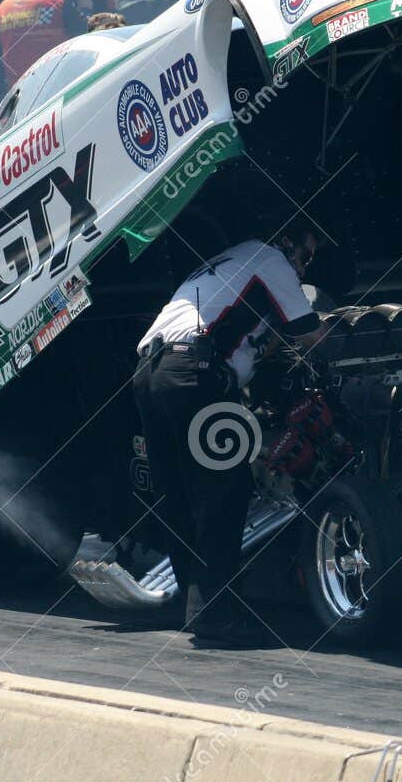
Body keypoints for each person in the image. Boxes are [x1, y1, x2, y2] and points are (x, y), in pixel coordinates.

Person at [135, 223, 330, 646]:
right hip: (194, 372)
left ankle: (194, 602)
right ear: (286, 242)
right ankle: (213, 613)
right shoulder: (270, 257)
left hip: (151, 374)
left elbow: (255, 340)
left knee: (180, 494)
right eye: (306, 256)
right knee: (226, 488)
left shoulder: (232, 258)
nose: (305, 267)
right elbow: (312, 335)